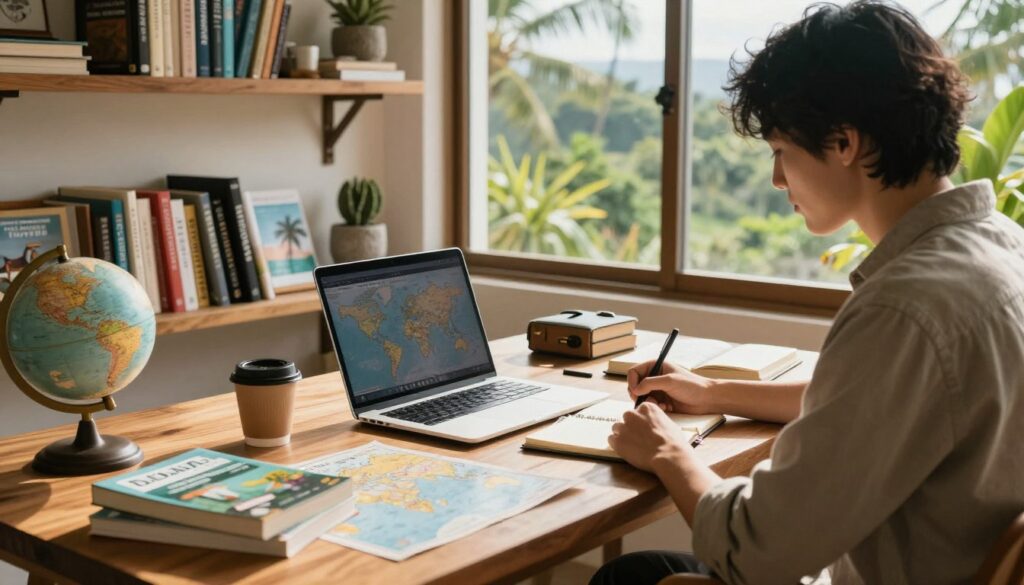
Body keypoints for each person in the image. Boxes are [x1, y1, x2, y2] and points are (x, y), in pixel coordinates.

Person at [590, 2, 1024, 584]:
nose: (776, 180)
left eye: (780, 151)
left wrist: (670, 453)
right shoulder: (1000, 248)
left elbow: (757, 553)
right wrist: (713, 392)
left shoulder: (906, 308)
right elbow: (880, 402)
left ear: (843, 142)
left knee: (633, 578)